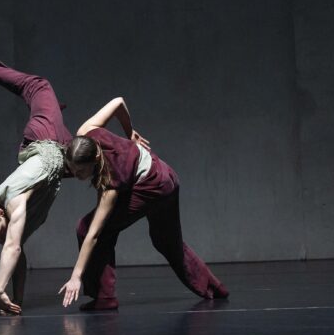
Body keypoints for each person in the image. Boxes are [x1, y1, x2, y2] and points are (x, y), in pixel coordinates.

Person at [59, 97, 229, 310]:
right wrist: (130, 132)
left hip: (153, 188)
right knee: (166, 243)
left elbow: (93, 234)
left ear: (94, 160)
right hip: (166, 175)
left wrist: (76, 276)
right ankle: (216, 289)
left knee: (87, 228)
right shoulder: (86, 132)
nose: (76, 175)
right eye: (72, 170)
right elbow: (119, 102)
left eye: (81, 172)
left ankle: (105, 299)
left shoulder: (111, 183)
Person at [0, 45, 72, 315]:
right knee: (91, 157)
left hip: (43, 138)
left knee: (38, 86)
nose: (4, 237)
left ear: (0, 212)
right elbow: (17, 254)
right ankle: (51, 112)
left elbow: (12, 246)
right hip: (59, 153)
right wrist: (16, 300)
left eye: (1, 230)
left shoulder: (13, 204)